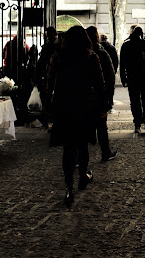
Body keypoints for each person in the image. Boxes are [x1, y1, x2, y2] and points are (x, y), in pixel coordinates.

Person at [45, 25, 107, 207]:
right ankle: (82, 176)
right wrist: (103, 107)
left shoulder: (58, 56)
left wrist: (48, 105)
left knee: (68, 147)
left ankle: (68, 186)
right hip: (85, 105)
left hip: (64, 105)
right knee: (82, 144)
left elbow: (49, 81)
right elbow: (100, 84)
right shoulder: (91, 57)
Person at [86, 26, 117, 162]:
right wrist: (108, 100)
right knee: (101, 126)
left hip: (83, 96)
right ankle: (105, 151)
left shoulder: (78, 54)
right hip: (99, 96)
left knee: (83, 128)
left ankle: (77, 158)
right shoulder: (102, 54)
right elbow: (110, 78)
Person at [119, 25, 145, 133]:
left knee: (134, 100)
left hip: (132, 75)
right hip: (144, 75)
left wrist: (123, 78)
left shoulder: (126, 44)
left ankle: (137, 123)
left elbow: (122, 63)